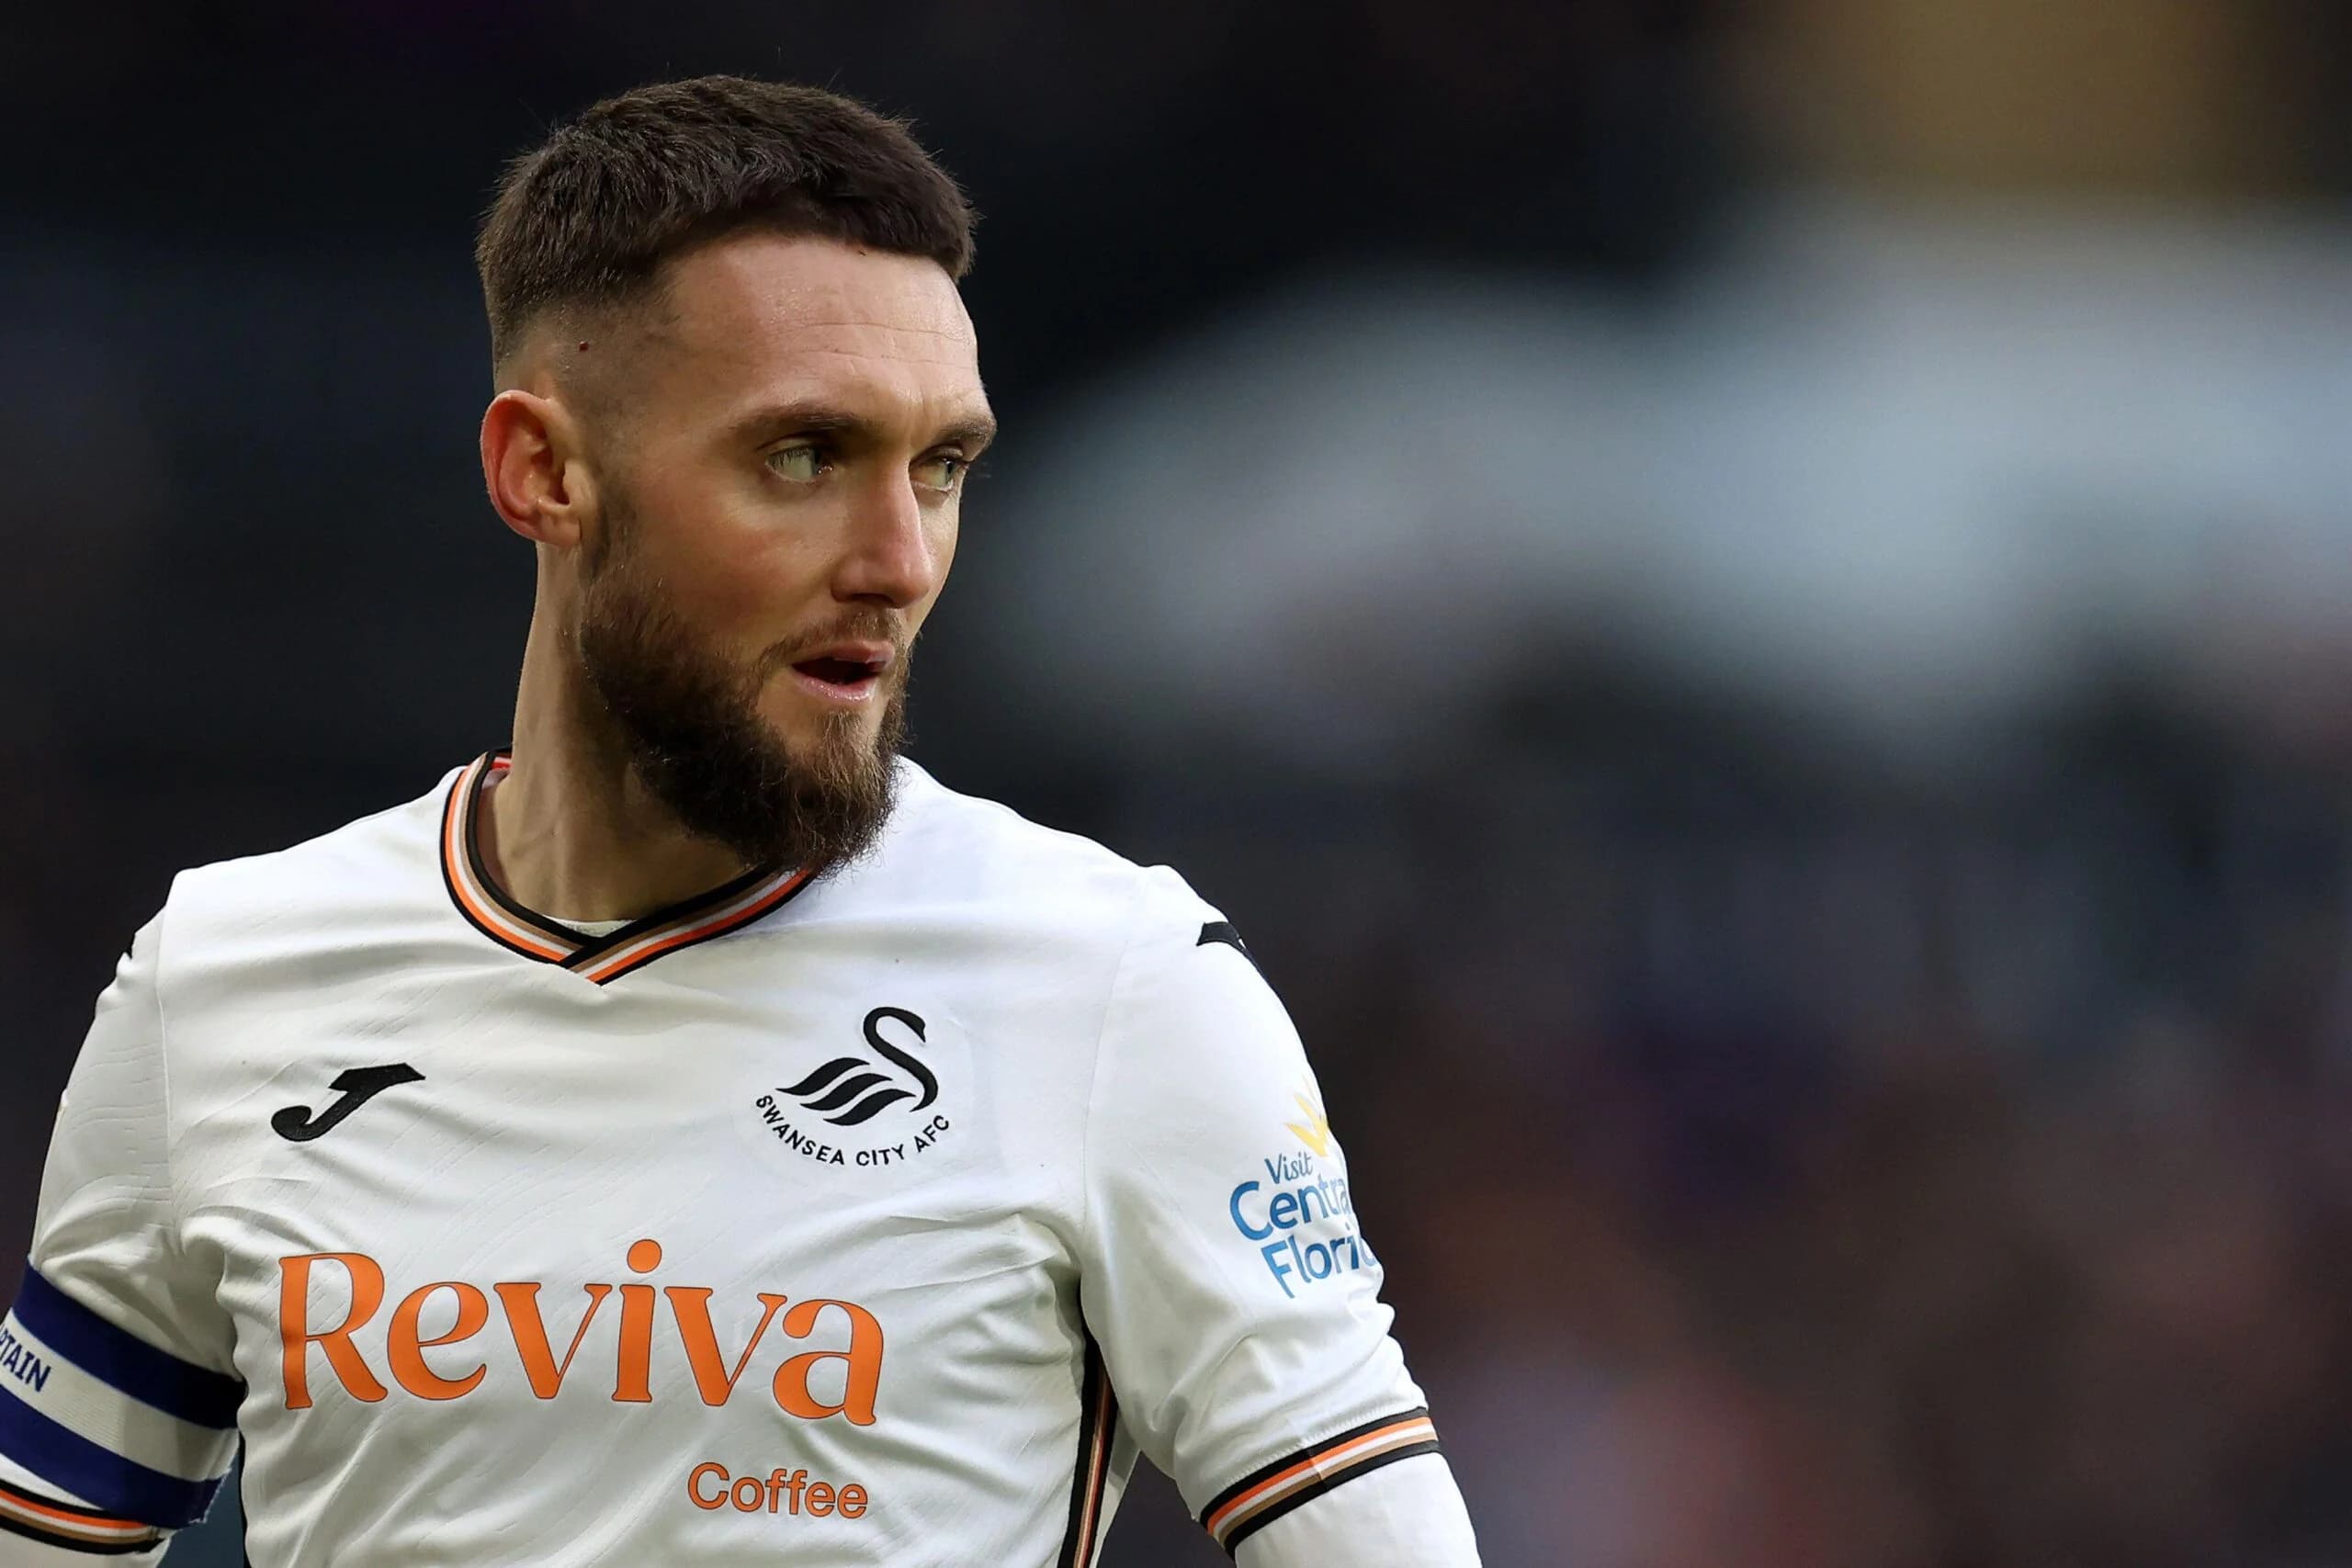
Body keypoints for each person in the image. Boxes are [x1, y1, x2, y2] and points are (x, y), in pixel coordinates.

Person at [0, 76, 1481, 1567]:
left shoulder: (1119, 987)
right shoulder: (223, 982)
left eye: (942, 466)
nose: (899, 559)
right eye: (803, 456)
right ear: (547, 472)